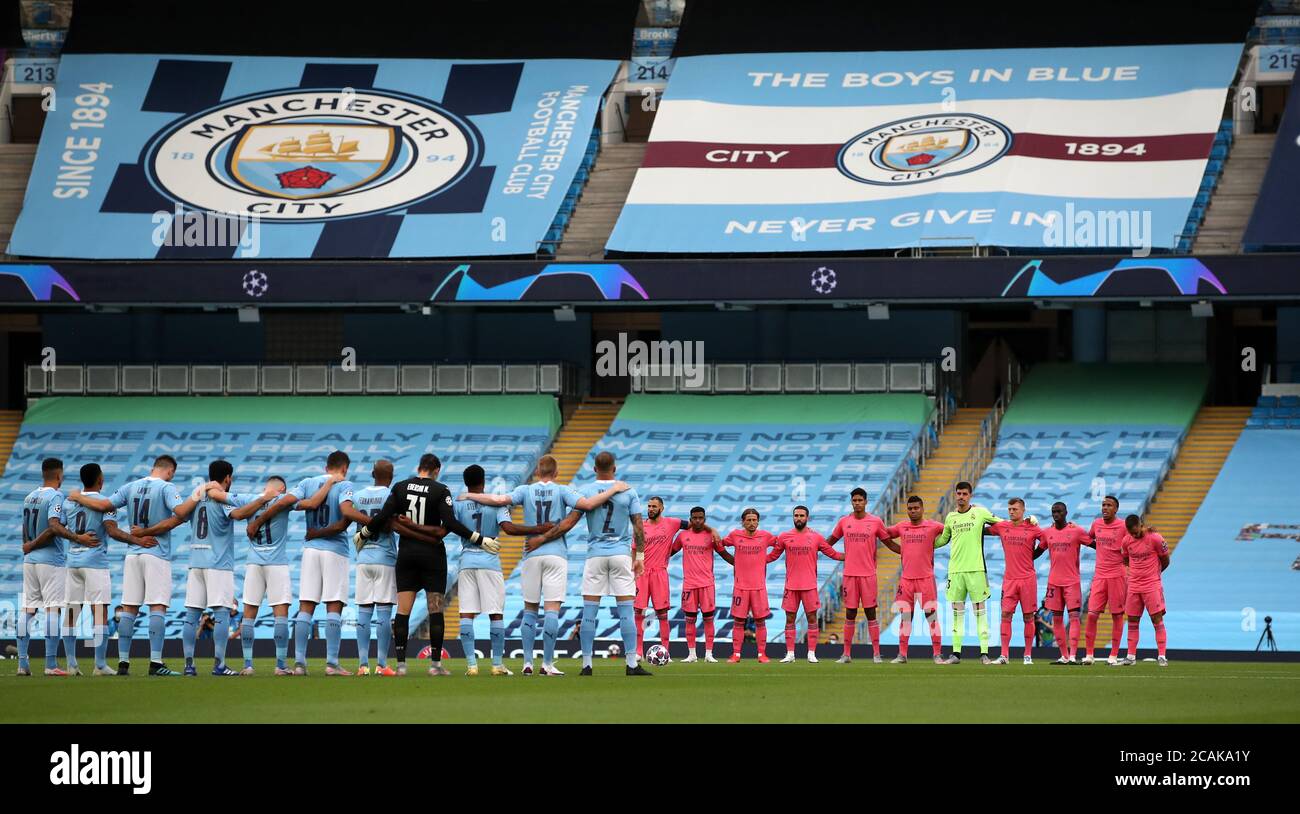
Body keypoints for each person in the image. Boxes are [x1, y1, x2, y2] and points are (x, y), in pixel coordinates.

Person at [461, 454, 621, 675]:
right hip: (556, 554)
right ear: (555, 473)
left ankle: (527, 663)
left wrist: (469, 494)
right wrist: (613, 489)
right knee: (552, 609)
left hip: (531, 554)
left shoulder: (525, 491)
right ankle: (546, 664)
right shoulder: (563, 490)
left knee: (530, 609)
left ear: (537, 472)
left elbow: (499, 501)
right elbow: (587, 504)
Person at [353, 453, 491, 676]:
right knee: (435, 608)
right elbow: (450, 523)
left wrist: (366, 532)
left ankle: (400, 665)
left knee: (403, 611)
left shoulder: (400, 487)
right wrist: (477, 538)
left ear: (419, 467)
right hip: (432, 556)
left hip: (407, 554)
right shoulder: (440, 490)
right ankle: (435, 666)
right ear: (436, 470)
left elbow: (384, 515)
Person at [68, 454, 206, 676]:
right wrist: (198, 494)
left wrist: (77, 496)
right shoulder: (166, 487)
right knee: (157, 607)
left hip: (132, 555)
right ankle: (156, 663)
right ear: (170, 471)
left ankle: (123, 663)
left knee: (129, 609)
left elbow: (104, 505)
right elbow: (181, 512)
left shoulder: (131, 485)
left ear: (153, 467)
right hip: (155, 552)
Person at [521, 451, 649, 676]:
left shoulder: (587, 491)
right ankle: (631, 664)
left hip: (595, 556)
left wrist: (542, 538)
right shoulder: (628, 491)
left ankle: (587, 665)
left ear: (594, 469)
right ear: (615, 468)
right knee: (627, 611)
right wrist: (639, 557)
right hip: (620, 555)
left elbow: (568, 523)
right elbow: (638, 526)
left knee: (590, 611)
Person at [252, 450, 354, 675]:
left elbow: (282, 503)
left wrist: (259, 520)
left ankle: (299, 663)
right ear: (344, 468)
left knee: (306, 606)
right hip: (335, 549)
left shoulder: (307, 482)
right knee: (334, 606)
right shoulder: (346, 485)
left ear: (326, 467)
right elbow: (345, 518)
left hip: (310, 551)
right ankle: (332, 663)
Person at [451, 465, 551, 676]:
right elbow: (509, 528)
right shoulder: (495, 503)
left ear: (466, 481)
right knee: (495, 614)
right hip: (489, 563)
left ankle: (471, 665)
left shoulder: (459, 503)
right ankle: (496, 664)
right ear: (483, 481)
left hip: (467, 560)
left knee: (466, 613)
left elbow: (451, 526)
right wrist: (537, 529)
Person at [20, 457, 97, 676]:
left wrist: (29, 546)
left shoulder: (29, 496)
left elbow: (26, 529)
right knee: (53, 608)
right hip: (50, 560)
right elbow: (54, 526)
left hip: (30, 561)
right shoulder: (55, 496)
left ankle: (22, 663)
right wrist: (77, 537)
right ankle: (51, 664)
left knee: (28, 609)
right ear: (58, 475)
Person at [935, 482, 1005, 664]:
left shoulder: (980, 513)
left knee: (979, 612)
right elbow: (943, 539)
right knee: (957, 613)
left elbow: (1002, 524)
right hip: (956, 571)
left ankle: (984, 654)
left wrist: (1024, 523)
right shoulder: (950, 517)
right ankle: (956, 654)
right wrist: (925, 543)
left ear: (970, 495)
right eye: (958, 493)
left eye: (964, 494)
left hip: (976, 570)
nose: (961, 497)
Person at [824, 487, 892, 663]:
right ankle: (846, 654)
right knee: (850, 613)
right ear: (851, 502)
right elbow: (829, 542)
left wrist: (906, 551)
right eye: (854, 500)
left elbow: (888, 542)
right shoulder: (844, 522)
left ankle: (876, 654)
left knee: (870, 613)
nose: (857, 503)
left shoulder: (876, 521)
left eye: (860, 500)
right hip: (850, 575)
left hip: (868, 574)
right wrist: (833, 554)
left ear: (866, 501)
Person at [769, 506, 842, 663]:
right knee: (790, 618)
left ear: (807, 517)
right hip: (791, 586)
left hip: (809, 585)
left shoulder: (816, 537)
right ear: (793, 517)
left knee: (812, 618)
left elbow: (832, 553)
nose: (798, 518)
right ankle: (790, 654)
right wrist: (753, 559)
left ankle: (811, 653)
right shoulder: (784, 536)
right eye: (796, 515)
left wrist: (851, 556)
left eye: (801, 515)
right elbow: (773, 556)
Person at [883, 495, 946, 664]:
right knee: (905, 618)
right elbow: (884, 534)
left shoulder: (933, 526)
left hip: (926, 579)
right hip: (906, 580)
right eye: (910, 509)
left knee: (931, 616)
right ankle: (902, 654)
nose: (913, 511)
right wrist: (899, 550)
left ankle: (937, 654)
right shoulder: (902, 526)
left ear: (922, 508)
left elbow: (950, 531)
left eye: (916, 508)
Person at [669, 507, 733, 662]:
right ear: (690, 519)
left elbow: (723, 553)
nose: (698, 520)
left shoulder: (711, 535)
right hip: (689, 585)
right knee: (689, 619)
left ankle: (709, 654)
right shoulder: (683, 535)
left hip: (707, 584)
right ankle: (691, 654)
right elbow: (669, 552)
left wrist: (740, 564)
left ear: (704, 519)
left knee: (708, 618)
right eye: (695, 518)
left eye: (700, 518)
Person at [985, 498, 1044, 665]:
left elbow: (1046, 541)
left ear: (1023, 510)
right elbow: (983, 531)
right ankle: (1004, 655)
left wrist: (1034, 555)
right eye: (1010, 509)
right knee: (1005, 615)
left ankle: (1027, 655)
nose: (1011, 512)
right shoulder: (1003, 527)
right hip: (1009, 580)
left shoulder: (1033, 528)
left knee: (1028, 617)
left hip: (1027, 579)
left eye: (1015, 509)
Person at [1037, 501, 1093, 664]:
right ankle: (1064, 656)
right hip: (1054, 583)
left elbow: (1096, 544)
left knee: (1074, 617)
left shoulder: (1076, 532)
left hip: (1072, 582)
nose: (1056, 514)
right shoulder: (1048, 533)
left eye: (1059, 511)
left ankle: (1073, 655)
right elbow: (1036, 552)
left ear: (1066, 512)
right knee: (1057, 619)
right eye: (1053, 511)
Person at [721, 508, 778, 663]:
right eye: (749, 520)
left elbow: (780, 544)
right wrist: (731, 559)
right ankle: (736, 654)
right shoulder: (735, 535)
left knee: (760, 621)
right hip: (740, 586)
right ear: (743, 521)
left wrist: (767, 558)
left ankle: (762, 655)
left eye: (754, 520)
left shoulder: (765, 536)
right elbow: (720, 544)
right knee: (738, 621)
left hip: (759, 586)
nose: (752, 523)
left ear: (758, 521)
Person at [1116, 515, 1171, 667]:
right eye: (1131, 533)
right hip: (1134, 585)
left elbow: (1166, 559)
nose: (1134, 535)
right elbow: (1126, 559)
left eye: (1136, 532)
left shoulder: (1155, 538)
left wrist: (1155, 574)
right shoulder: (1127, 541)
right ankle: (1131, 656)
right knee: (1133, 620)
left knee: (1156, 619)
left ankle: (1161, 656)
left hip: (1151, 585)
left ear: (1141, 525)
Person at [1085, 495, 1128, 665]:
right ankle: (1089, 655)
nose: (1105, 508)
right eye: (1103, 505)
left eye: (1109, 505)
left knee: (1117, 616)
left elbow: (1133, 542)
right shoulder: (1096, 524)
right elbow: (1088, 539)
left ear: (1116, 509)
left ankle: (1113, 655)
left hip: (1117, 575)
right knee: (1091, 614)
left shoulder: (1123, 525)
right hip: (1100, 576)